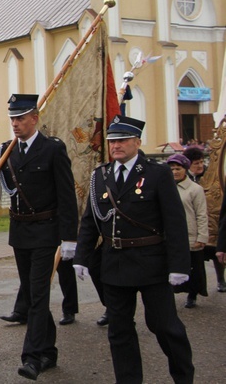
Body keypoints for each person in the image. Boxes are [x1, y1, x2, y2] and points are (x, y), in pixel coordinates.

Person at [0, 93, 78, 381]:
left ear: (35, 119)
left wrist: (70, 238)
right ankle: (49, 351)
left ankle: (32, 357)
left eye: (21, 118)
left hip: (46, 231)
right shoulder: (7, 150)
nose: (15, 123)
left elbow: (66, 195)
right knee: (31, 292)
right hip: (20, 233)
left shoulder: (52, 149)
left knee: (37, 296)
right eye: (12, 118)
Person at [74, 115, 194, 384]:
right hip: (114, 264)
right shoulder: (100, 176)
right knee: (119, 330)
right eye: (112, 141)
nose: (116, 145)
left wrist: (179, 266)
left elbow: (174, 223)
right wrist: (81, 256)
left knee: (164, 326)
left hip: (152, 263)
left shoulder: (157, 173)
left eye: (123, 140)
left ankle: (184, 376)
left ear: (138, 142)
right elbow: (91, 221)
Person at [167, 153, 208, 308]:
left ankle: (193, 294)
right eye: (172, 169)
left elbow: (201, 214)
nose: (175, 172)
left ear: (185, 169)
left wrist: (202, 237)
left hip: (190, 234)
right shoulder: (166, 187)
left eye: (178, 168)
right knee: (170, 265)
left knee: (194, 267)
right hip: (171, 235)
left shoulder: (195, 189)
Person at [183, 146, 226, 293]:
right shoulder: (184, 178)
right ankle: (194, 290)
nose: (200, 165)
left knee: (215, 251)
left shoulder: (211, 175)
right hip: (193, 224)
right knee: (196, 259)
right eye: (196, 163)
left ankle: (221, 279)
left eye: (201, 162)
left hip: (210, 220)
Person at [0, 260, 78, 326]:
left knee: (65, 270)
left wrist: (70, 241)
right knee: (33, 272)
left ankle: (69, 309)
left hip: (60, 243)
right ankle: (22, 311)